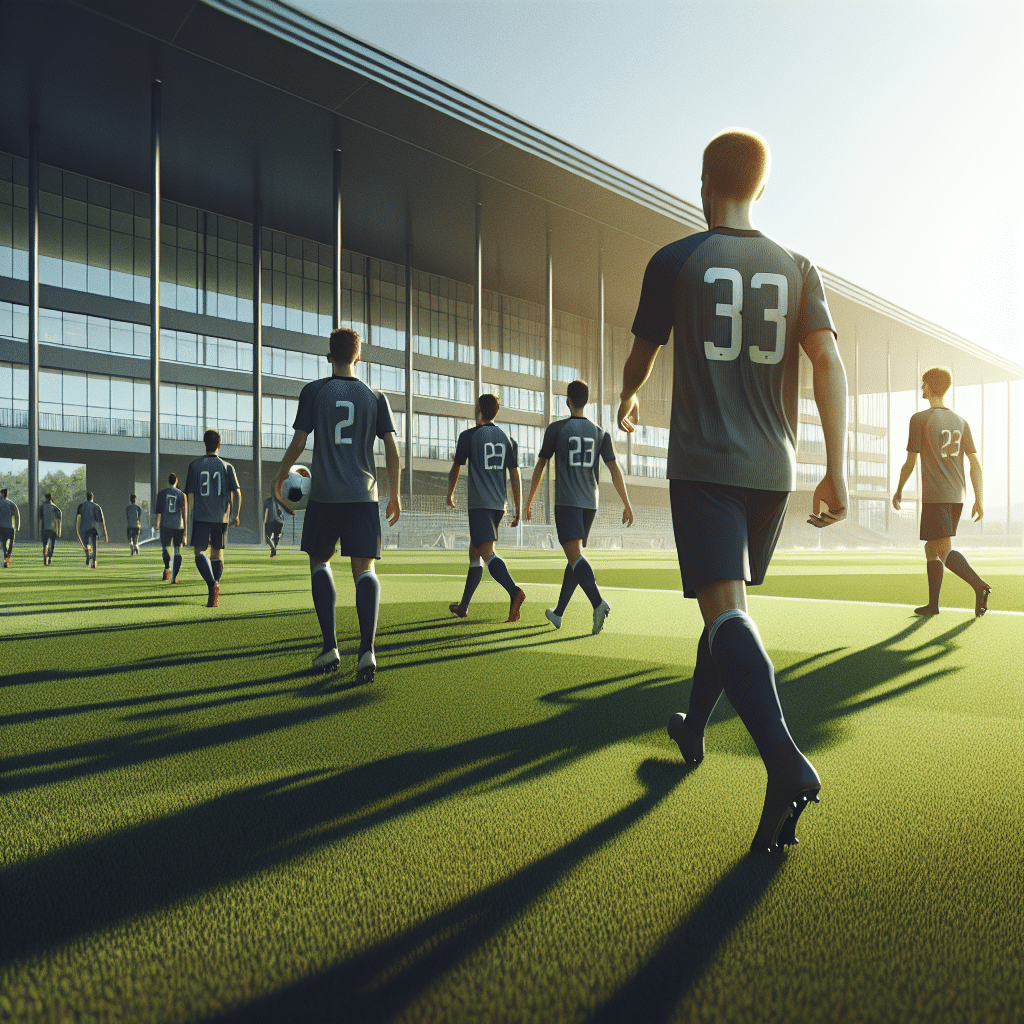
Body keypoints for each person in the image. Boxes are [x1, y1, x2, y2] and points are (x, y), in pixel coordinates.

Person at [618, 128, 849, 854]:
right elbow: (828, 364)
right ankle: (693, 729)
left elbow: (641, 356)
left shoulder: (676, 259)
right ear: (761, 186)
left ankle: (783, 761)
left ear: (704, 182)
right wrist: (834, 465)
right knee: (727, 611)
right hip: (772, 473)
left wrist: (625, 400)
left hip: (705, 464)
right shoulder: (799, 267)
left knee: (725, 615)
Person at [275, 327, 400, 681]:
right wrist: (397, 494)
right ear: (358, 356)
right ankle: (367, 653)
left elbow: (299, 441)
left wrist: (280, 476)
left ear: (329, 356)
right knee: (365, 570)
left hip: (325, 496)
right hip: (364, 496)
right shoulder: (376, 396)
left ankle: (330, 646)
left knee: (320, 564)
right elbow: (392, 449)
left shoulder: (314, 391)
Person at [524, 379, 634, 633]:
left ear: (567, 399)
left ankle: (598, 603)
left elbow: (540, 467)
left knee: (575, 557)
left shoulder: (556, 429)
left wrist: (529, 501)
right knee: (574, 559)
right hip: (589, 504)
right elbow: (614, 469)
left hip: (567, 502)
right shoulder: (600, 432)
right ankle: (559, 612)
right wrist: (627, 504)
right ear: (587, 400)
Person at [893, 367, 989, 616]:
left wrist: (899, 489)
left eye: (923, 383)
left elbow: (910, 462)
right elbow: (975, 463)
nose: (921, 388)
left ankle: (979, 586)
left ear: (929, 386)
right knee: (931, 547)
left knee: (943, 549)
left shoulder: (920, 419)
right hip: (957, 497)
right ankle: (933, 604)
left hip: (936, 497)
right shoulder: (961, 421)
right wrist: (978, 498)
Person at [446, 393, 526, 622]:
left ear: (479, 410)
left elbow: (456, 467)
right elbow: (515, 474)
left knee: (487, 553)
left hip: (479, 505)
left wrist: (450, 493)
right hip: (498, 505)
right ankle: (463, 606)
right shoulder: (507, 439)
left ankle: (514, 592)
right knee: (475, 552)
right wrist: (518, 507)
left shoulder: (468, 437)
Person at [184, 430, 242, 608]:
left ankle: (212, 585)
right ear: (219, 444)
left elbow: (190, 497)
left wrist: (187, 521)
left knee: (200, 553)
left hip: (201, 518)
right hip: (221, 518)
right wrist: (235, 515)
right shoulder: (227, 467)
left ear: (204, 443)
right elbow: (237, 493)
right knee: (217, 554)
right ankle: (215, 590)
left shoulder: (194, 466)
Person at [154, 472, 188, 583]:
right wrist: (185, 533)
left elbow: (158, 513)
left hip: (165, 525)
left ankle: (167, 569)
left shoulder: (161, 494)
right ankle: (174, 576)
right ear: (176, 481)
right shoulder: (181, 494)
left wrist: (157, 526)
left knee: (166, 548)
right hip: (178, 526)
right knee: (178, 550)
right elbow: (184, 514)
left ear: (168, 481)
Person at [76, 491, 108, 568]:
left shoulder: (81, 506)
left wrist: (77, 528)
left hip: (84, 529)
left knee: (85, 544)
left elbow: (79, 518)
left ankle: (88, 555)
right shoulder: (97, 506)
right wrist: (105, 534)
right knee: (94, 544)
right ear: (92, 497)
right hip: (93, 529)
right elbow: (102, 521)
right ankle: (93, 562)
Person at [263, 490, 289, 558]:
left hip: (270, 521)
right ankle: (273, 549)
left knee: (267, 536)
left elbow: (264, 511)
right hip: (279, 521)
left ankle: (273, 548)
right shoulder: (280, 500)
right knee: (276, 536)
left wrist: (264, 521)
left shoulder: (268, 500)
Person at [39, 492, 62, 565]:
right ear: (51, 498)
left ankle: (45, 558)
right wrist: (59, 526)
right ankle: (49, 557)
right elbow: (60, 514)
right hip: (53, 528)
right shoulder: (54, 506)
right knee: (52, 544)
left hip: (44, 528)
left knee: (45, 544)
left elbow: (40, 517)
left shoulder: (42, 506)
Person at [0, 487, 19, 568]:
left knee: (4, 544)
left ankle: (6, 558)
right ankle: (7, 558)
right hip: (10, 527)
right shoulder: (11, 503)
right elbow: (17, 515)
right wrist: (17, 526)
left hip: (2, 527)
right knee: (11, 544)